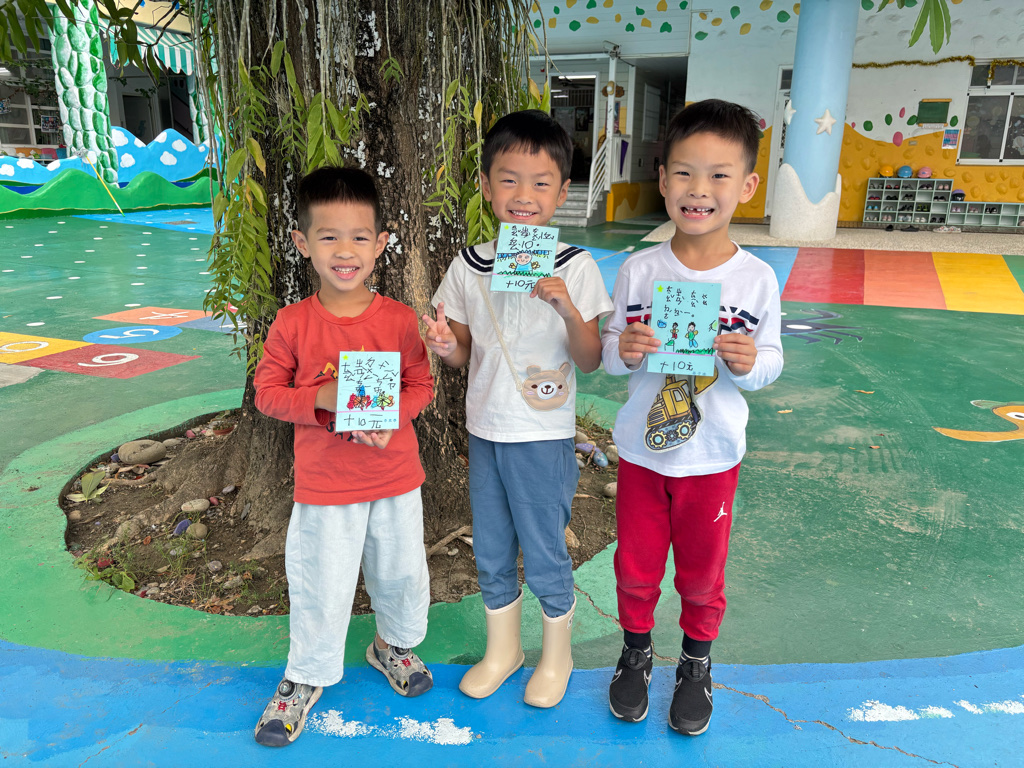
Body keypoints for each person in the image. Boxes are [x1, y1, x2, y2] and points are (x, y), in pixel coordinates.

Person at [601, 99, 783, 735]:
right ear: (662, 179)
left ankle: (696, 663)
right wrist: (624, 349)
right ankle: (636, 653)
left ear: (748, 186)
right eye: (683, 172)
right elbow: (611, 355)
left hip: (713, 457)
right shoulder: (640, 269)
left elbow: (771, 361)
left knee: (703, 575)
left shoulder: (757, 279)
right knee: (635, 567)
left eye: (718, 175)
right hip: (642, 452)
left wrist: (749, 364)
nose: (698, 190)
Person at [422, 109, 612, 708]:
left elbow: (590, 359)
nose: (523, 196)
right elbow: (462, 354)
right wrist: (445, 345)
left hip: (543, 435)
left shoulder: (576, 266)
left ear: (562, 192)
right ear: (485, 185)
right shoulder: (467, 265)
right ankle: (503, 650)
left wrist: (568, 309)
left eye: (540, 183)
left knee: (545, 546)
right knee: (493, 546)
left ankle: (557, 655)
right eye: (508, 179)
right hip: (485, 430)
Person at [252, 166, 435, 746]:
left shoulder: (399, 320)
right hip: (327, 485)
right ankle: (304, 676)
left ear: (381, 244)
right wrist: (323, 398)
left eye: (359, 236)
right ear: (303, 243)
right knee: (321, 583)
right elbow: (266, 395)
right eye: (328, 236)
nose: (345, 251)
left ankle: (391, 645)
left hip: (395, 476)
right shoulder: (293, 323)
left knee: (401, 571)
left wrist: (392, 416)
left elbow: (421, 385)